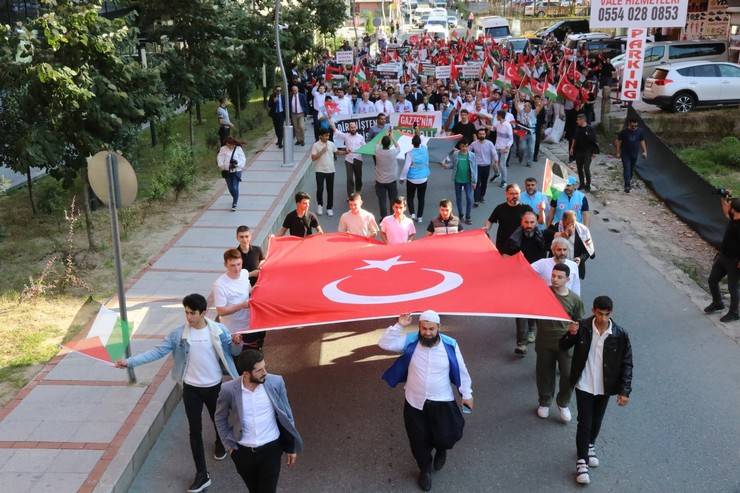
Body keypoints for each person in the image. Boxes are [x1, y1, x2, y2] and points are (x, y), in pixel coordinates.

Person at [116, 294, 241, 493]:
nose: (189, 317)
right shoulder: (178, 335)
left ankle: (219, 442)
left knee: (218, 421)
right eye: (186, 312)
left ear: (203, 313)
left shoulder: (219, 331)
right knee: (195, 430)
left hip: (214, 386)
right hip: (191, 388)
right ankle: (202, 474)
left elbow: (234, 352)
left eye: (193, 313)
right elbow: (157, 352)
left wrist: (236, 343)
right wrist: (130, 362)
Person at [378, 311, 473, 492]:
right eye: (424, 328)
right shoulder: (411, 341)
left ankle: (442, 449)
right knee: (418, 441)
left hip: (443, 401)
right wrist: (399, 326)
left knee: (448, 435)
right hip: (415, 402)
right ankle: (425, 470)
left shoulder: (450, 345)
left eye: (431, 329)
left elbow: (461, 369)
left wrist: (467, 393)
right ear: (419, 327)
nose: (427, 332)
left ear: (438, 328)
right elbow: (384, 343)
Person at [560, 296, 633, 485]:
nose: (602, 318)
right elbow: (563, 346)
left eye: (606, 315)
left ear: (611, 313)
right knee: (584, 421)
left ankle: (590, 444)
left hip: (605, 385)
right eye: (599, 314)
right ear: (593, 311)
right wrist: (570, 334)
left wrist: (624, 391)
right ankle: (581, 461)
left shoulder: (619, 334)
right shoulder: (582, 327)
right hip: (583, 383)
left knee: (597, 420)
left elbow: (627, 363)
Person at [215, 350, 303, 493]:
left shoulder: (276, 382)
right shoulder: (228, 390)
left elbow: (287, 414)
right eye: (259, 370)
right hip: (242, 452)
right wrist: (229, 447)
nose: (265, 372)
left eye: (265, 367)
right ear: (246, 374)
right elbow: (220, 418)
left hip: (271, 450)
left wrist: (291, 446)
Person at [535, 264, 584, 422]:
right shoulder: (543, 293)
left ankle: (563, 403)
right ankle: (545, 402)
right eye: (553, 276)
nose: (555, 279)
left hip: (565, 344)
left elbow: (579, 321)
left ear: (568, 279)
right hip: (544, 341)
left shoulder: (574, 300)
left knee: (569, 375)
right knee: (544, 373)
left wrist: (575, 330)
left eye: (559, 277)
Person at [504, 211, 552, 355]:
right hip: (519, 278)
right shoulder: (513, 238)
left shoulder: (543, 235)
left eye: (532, 222)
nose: (529, 226)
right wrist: (513, 260)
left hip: (538, 278)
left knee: (533, 307)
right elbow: (505, 256)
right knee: (520, 309)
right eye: (526, 222)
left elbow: (560, 241)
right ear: (521, 223)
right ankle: (521, 343)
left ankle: (532, 329)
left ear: (536, 223)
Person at [705, 196, 740, 322]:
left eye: (730, 206)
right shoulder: (733, 217)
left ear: (734, 210)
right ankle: (717, 302)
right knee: (712, 280)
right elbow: (726, 212)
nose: (728, 208)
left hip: (734, 261)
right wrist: (722, 198)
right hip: (723, 256)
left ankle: (734, 312)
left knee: (733, 288)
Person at [484, 183, 533, 252]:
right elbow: (490, 220)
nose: (515, 196)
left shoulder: (526, 208)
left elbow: (538, 221)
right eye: (512, 194)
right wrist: (486, 227)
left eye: (517, 193)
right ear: (506, 194)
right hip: (503, 244)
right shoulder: (500, 208)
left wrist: (541, 211)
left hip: (520, 245)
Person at [555, 210, 595, 280]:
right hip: (558, 267)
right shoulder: (557, 227)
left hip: (575, 268)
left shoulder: (583, 230)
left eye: (573, 223)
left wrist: (580, 258)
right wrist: (562, 235)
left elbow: (589, 251)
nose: (571, 226)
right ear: (563, 221)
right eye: (568, 224)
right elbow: (549, 246)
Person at [331, 120, 366, 199]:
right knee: (349, 178)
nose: (353, 129)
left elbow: (365, 147)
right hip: (348, 160)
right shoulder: (345, 136)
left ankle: (358, 193)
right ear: (349, 128)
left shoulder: (360, 137)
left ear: (356, 128)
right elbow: (335, 130)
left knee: (358, 177)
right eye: (351, 127)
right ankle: (350, 195)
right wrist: (330, 119)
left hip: (358, 159)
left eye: (354, 127)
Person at [401, 134, 431, 224]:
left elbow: (406, 167)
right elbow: (422, 137)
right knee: (421, 198)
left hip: (412, 179)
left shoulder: (410, 153)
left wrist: (402, 177)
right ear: (420, 142)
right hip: (423, 178)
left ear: (412, 143)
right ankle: (420, 217)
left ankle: (412, 214)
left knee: (410, 197)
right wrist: (417, 130)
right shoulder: (425, 149)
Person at [446, 140, 478, 225]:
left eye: (466, 146)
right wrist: (447, 166)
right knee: (458, 198)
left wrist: (474, 182)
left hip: (468, 180)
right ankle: (461, 215)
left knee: (469, 198)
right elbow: (453, 165)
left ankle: (468, 216)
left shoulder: (472, 155)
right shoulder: (455, 154)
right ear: (460, 146)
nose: (465, 148)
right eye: (463, 146)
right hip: (457, 180)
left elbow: (475, 169)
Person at [614, 117, 647, 193]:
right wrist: (618, 152)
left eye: (635, 126)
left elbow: (642, 141)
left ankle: (628, 180)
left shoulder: (640, 131)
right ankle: (627, 185)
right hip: (625, 154)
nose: (634, 128)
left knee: (631, 170)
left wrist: (645, 151)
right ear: (629, 124)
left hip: (634, 154)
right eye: (633, 126)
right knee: (627, 169)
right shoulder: (624, 132)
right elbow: (618, 142)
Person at [310, 128, 337, 216]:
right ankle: (320, 205)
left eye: (328, 135)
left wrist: (345, 152)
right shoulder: (316, 145)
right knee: (320, 189)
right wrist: (321, 152)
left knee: (330, 190)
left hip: (330, 170)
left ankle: (329, 208)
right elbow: (313, 158)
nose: (327, 137)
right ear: (320, 136)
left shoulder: (331, 144)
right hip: (320, 170)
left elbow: (337, 152)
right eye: (325, 136)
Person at [374, 130, 400, 218]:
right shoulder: (393, 152)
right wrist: (392, 137)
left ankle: (384, 218)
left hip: (380, 180)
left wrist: (383, 135)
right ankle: (393, 218)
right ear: (389, 144)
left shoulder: (377, 151)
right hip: (391, 180)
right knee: (393, 200)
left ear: (382, 144)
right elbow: (398, 146)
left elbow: (377, 144)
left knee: (382, 201)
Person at [570, 113, 598, 191]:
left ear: (582, 120)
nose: (577, 121)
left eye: (578, 120)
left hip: (588, 152)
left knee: (586, 168)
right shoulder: (578, 128)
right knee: (579, 168)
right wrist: (572, 148)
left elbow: (594, 141)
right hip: (579, 151)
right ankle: (582, 184)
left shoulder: (590, 129)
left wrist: (594, 152)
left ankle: (588, 185)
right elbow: (574, 139)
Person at [470, 127, 498, 208]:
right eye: (480, 134)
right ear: (478, 135)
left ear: (485, 135)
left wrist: (496, 160)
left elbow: (494, 152)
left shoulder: (489, 143)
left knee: (484, 183)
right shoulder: (474, 144)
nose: (482, 135)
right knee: (477, 183)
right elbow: (468, 151)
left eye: (483, 134)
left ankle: (481, 196)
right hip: (477, 167)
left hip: (486, 166)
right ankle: (476, 200)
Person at [217, 137, 247, 212]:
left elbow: (243, 159)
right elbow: (220, 157)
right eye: (230, 145)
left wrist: (237, 165)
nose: (231, 146)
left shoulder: (238, 149)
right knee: (230, 188)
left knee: (235, 186)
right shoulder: (223, 149)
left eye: (233, 145)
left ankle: (235, 203)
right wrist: (221, 165)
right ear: (227, 144)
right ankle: (235, 197)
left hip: (237, 171)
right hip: (227, 171)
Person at [493, 110, 513, 188]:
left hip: (504, 148)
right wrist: (484, 123)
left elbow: (511, 139)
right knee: (494, 163)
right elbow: (492, 128)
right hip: (497, 147)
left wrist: (507, 148)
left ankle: (504, 181)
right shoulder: (498, 124)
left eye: (497, 115)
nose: (496, 117)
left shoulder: (507, 125)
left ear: (500, 116)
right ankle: (497, 174)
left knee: (502, 164)